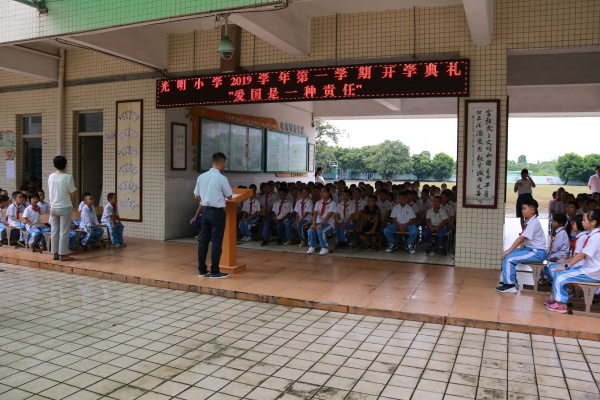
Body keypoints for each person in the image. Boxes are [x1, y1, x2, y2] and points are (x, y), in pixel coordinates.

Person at [546, 209, 600, 313]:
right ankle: (558, 298)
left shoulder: (596, 237)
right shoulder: (593, 235)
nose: (582, 222)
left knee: (560, 275)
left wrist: (566, 266)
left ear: (593, 222)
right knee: (559, 272)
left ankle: (561, 304)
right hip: (589, 270)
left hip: (592, 272)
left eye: (584, 220)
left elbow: (581, 255)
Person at [194, 152, 233, 279]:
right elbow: (229, 196)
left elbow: (196, 195)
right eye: (224, 164)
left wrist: (206, 199)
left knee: (203, 241)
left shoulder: (201, 177)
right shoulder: (221, 178)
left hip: (205, 211)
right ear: (222, 163)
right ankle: (215, 271)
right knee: (216, 242)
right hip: (217, 212)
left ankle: (201, 270)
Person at [497, 199, 548, 293]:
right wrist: (508, 251)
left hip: (537, 252)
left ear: (532, 210)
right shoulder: (529, 221)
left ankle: (510, 286)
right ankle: (510, 281)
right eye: (522, 209)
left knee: (509, 258)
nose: (522, 211)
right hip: (530, 250)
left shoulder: (534, 222)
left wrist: (509, 250)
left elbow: (521, 238)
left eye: (524, 208)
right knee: (506, 256)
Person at [542, 214, 587, 282]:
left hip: (561, 255)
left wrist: (565, 261)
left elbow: (555, 247)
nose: (572, 225)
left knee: (544, 259)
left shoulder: (581, 238)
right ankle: (548, 278)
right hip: (564, 256)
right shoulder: (579, 236)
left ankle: (550, 279)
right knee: (546, 261)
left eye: (574, 224)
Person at [48, 156, 77, 261]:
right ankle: (63, 254)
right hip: (65, 207)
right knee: (64, 231)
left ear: (54, 164)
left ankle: (55, 253)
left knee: (54, 230)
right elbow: (72, 192)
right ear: (65, 164)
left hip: (53, 207)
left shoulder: (51, 176)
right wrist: (72, 203)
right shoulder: (68, 177)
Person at [307, 186, 337, 256]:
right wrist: (314, 224)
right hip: (318, 222)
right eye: (321, 192)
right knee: (311, 230)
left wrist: (321, 224)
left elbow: (329, 215)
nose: (322, 193)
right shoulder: (318, 203)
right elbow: (315, 213)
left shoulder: (333, 203)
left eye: (324, 191)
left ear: (329, 193)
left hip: (329, 223)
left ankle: (324, 247)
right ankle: (312, 246)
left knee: (321, 231)